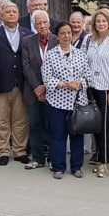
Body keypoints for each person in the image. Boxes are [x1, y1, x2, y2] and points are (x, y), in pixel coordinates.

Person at [41, 21, 91, 179]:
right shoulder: (51, 55)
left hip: (77, 102)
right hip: (56, 102)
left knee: (77, 135)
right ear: (57, 36)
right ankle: (58, 167)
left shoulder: (80, 54)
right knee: (58, 136)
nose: (66, 36)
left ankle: (77, 167)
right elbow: (47, 79)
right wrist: (64, 84)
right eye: (63, 33)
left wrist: (79, 83)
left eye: (69, 33)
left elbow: (88, 77)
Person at [0, 1, 32, 167]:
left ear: (18, 15)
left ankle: (19, 151)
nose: (12, 14)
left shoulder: (27, 33)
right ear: (2, 15)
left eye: (15, 11)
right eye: (8, 12)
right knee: (1, 120)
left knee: (20, 121)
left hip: (21, 84)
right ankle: (3, 151)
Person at [84, 9, 109, 178]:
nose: (101, 24)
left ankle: (105, 162)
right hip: (91, 87)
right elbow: (84, 63)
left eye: (104, 21)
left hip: (106, 89)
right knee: (95, 125)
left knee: (105, 126)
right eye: (98, 21)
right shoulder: (88, 40)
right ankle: (99, 158)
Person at [20, 10, 56, 170]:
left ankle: (53, 158)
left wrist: (46, 86)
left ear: (49, 23)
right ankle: (37, 158)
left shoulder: (57, 40)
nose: (42, 25)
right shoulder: (27, 41)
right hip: (32, 90)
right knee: (34, 125)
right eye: (38, 23)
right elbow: (26, 66)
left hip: (53, 91)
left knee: (51, 126)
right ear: (34, 25)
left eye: (44, 22)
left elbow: (60, 66)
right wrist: (37, 87)